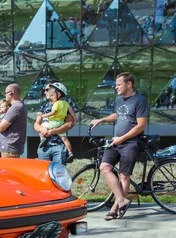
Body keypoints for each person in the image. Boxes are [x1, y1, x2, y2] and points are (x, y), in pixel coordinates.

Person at [91, 72, 148, 221]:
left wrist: (122, 138)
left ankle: (115, 208)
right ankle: (122, 200)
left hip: (130, 143)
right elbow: (117, 115)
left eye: (119, 84)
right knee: (105, 167)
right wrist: (101, 120)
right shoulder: (119, 100)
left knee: (124, 175)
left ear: (129, 84)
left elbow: (141, 125)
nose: (116, 87)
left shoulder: (140, 100)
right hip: (115, 142)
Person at [34, 81, 77, 165]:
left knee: (58, 174)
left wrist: (52, 131)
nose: (45, 92)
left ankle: (70, 153)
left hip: (59, 146)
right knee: (43, 174)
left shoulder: (63, 105)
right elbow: (36, 124)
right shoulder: (44, 107)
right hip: (44, 148)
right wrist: (42, 129)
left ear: (57, 93)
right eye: (45, 90)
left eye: (48, 90)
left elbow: (69, 124)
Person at [0, 83, 27, 158]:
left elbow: (1, 127)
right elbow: (2, 121)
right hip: (10, 148)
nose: (5, 95)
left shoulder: (16, 107)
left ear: (11, 93)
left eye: (6, 93)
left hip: (10, 149)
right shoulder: (19, 105)